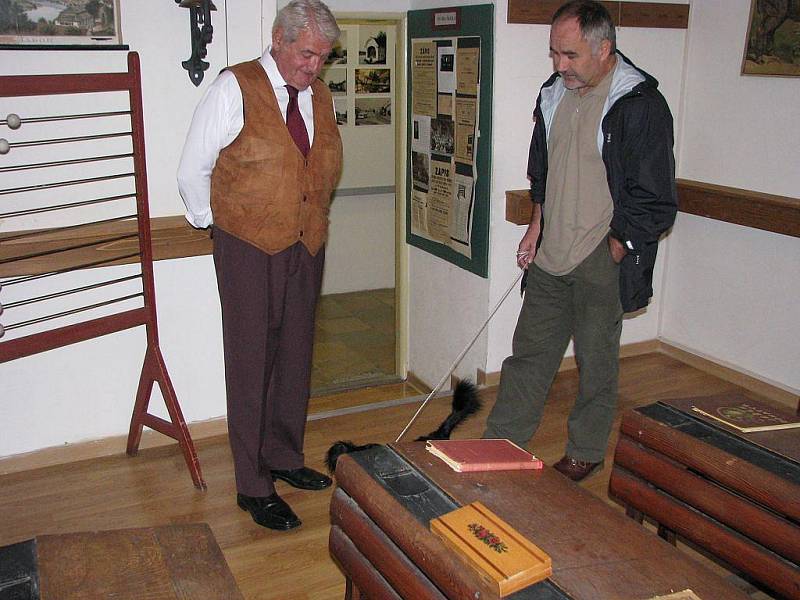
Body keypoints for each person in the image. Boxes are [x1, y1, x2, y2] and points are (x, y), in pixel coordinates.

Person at [483, 0, 677, 482]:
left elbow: (655, 196)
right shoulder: (554, 93)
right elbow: (543, 172)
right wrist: (535, 223)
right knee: (528, 356)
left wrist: (618, 246)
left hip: (600, 257)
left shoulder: (640, 105)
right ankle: (501, 445)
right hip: (550, 254)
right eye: (554, 54)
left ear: (604, 48)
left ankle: (586, 450)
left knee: (596, 363)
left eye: (569, 55)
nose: (559, 66)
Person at [177, 0, 342, 530]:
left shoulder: (320, 96)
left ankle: (285, 457)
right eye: (307, 53)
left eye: (322, 57)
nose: (313, 66)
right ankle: (252, 483)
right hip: (247, 245)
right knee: (251, 360)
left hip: (306, 242)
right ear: (278, 38)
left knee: (295, 354)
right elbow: (191, 169)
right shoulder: (234, 87)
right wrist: (219, 225)